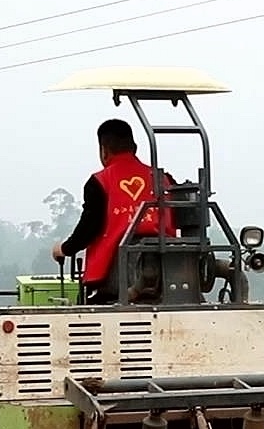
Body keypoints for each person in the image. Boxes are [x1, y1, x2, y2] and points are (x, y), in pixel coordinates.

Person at [51, 119, 173, 304]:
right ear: (135, 147)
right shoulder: (164, 179)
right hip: (169, 276)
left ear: (104, 150)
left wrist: (65, 248)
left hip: (116, 280)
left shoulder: (100, 182)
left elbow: (90, 226)